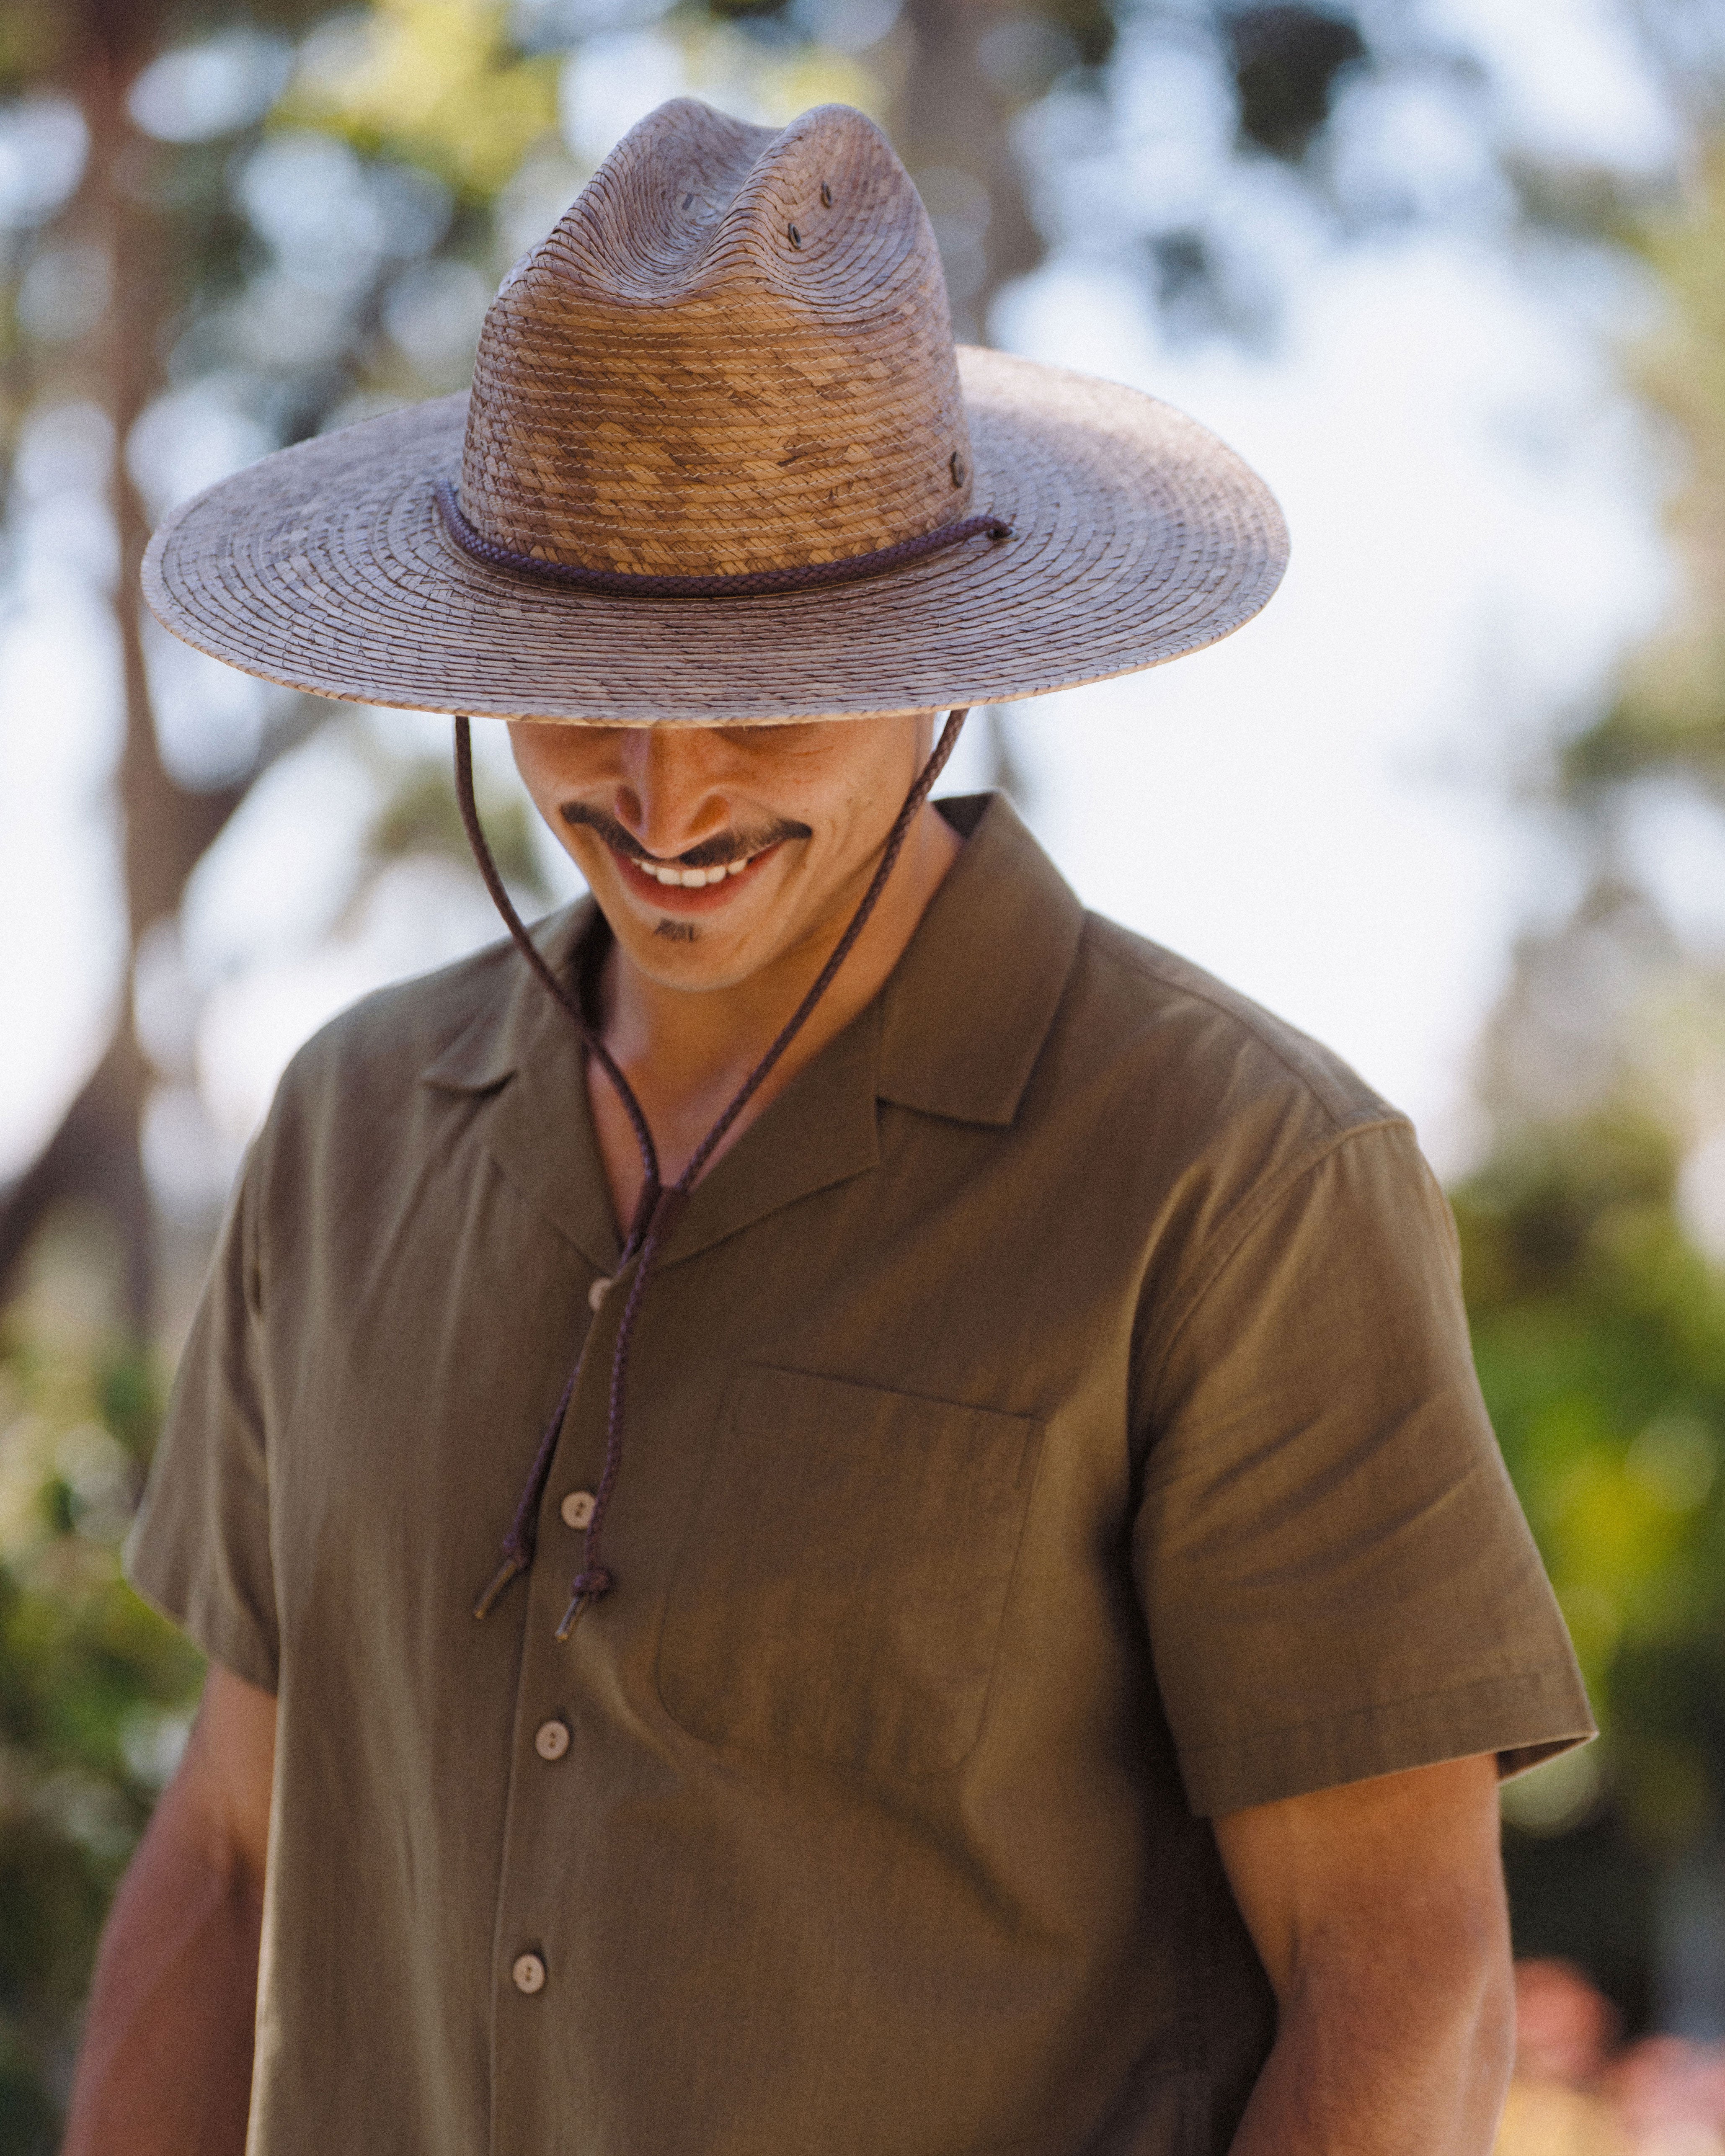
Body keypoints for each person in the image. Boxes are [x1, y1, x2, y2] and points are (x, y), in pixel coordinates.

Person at [65, 98, 1594, 2156]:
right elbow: (242, 1847)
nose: (666, 801)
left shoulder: (1238, 1179)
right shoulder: (344, 1131)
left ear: (938, 668)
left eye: (764, 694)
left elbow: (1396, 1982)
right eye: (582, 688)